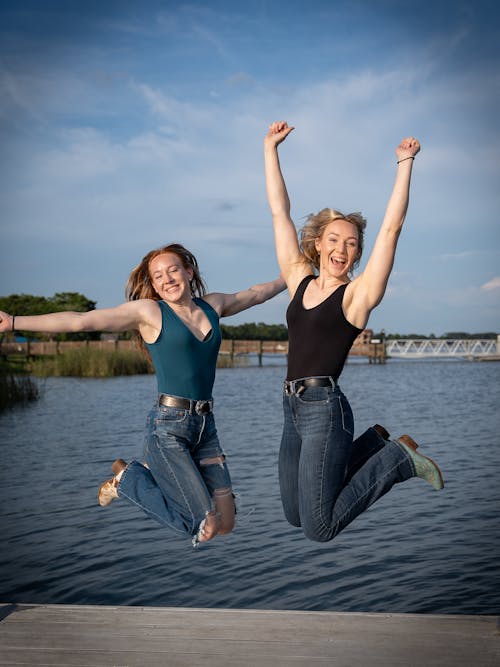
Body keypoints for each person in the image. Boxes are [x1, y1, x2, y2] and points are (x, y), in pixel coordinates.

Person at [0, 243, 285, 547]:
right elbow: (82, 321)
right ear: (152, 284)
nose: (167, 279)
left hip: (206, 426)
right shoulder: (149, 312)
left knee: (226, 523)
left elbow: (257, 294)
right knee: (204, 524)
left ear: (189, 272)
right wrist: (15, 322)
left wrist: (292, 276)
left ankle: (149, 480)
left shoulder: (211, 306)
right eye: (158, 276)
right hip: (169, 427)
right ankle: (130, 481)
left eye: (173, 270)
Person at [263, 121, 443, 543]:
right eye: (334, 240)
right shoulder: (299, 280)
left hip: (326, 408)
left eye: (351, 244)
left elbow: (391, 230)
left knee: (320, 528)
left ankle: (398, 459)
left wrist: (405, 164)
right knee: (294, 515)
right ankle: (372, 446)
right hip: (291, 408)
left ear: (358, 252)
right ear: (319, 244)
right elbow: (278, 212)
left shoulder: (357, 297)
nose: (342, 250)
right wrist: (270, 150)